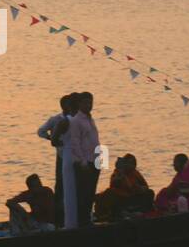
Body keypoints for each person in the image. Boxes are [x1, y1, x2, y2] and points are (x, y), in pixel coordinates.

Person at [38, 94, 75, 227]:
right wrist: (51, 138)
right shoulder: (56, 120)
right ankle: (59, 215)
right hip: (61, 156)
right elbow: (41, 131)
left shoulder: (75, 119)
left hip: (73, 156)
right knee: (60, 184)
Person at [67, 91, 100, 226]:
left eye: (90, 102)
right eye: (86, 102)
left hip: (95, 159)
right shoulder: (76, 121)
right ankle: (83, 222)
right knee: (83, 193)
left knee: (91, 192)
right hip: (84, 162)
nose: (89, 105)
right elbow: (75, 142)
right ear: (80, 104)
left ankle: (88, 218)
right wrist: (82, 161)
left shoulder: (90, 119)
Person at [95, 154, 153, 221]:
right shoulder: (118, 172)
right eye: (127, 163)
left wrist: (140, 188)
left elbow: (145, 186)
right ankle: (117, 214)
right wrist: (121, 176)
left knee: (150, 193)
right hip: (122, 198)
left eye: (131, 164)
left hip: (134, 196)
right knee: (109, 194)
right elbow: (114, 183)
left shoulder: (136, 173)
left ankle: (143, 211)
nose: (129, 165)